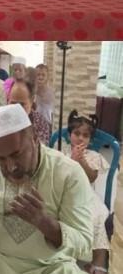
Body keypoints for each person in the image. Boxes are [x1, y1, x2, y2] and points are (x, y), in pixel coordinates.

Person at [0, 105, 93, 273]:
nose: (10, 166)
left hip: (50, 265)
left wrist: (47, 224)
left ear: (34, 137)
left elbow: (84, 243)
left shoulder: (69, 173)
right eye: (0, 159)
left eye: (16, 155)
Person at [59, 111, 110, 273]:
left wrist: (81, 160)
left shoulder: (93, 156)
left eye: (85, 135)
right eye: (76, 134)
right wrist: (72, 160)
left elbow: (92, 178)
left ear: (90, 139)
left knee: (101, 215)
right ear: (69, 135)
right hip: (64, 193)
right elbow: (59, 176)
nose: (80, 138)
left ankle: (98, 263)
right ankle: (65, 258)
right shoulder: (61, 152)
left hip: (87, 194)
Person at [8, 79, 51, 145]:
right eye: (13, 104)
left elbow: (39, 149)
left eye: (21, 105)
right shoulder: (1, 120)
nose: (16, 109)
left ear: (31, 101)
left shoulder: (41, 123)